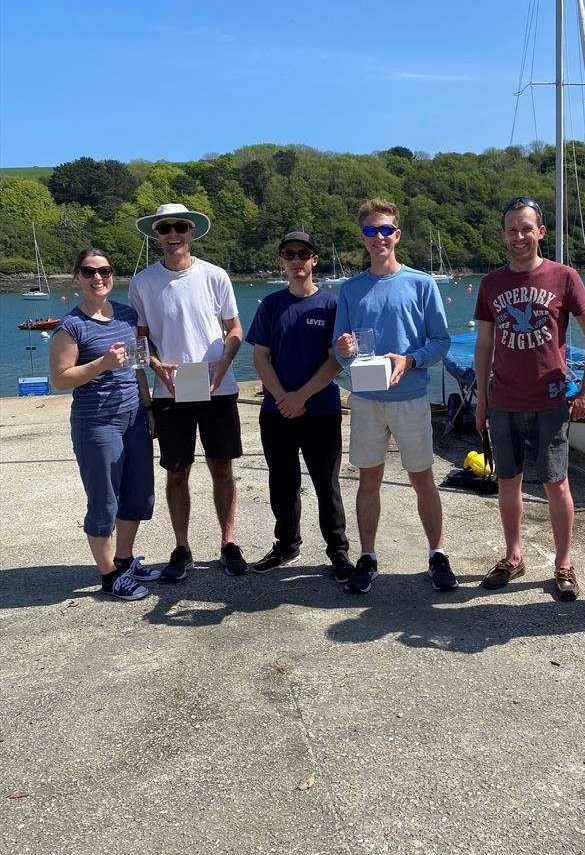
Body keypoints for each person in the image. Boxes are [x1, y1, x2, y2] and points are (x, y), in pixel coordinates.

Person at [474, 196, 585, 596]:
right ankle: (514, 556)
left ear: (540, 232)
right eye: (512, 229)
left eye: (526, 228)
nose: (519, 236)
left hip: (550, 400)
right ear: (503, 235)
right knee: (507, 483)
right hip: (504, 400)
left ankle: (564, 564)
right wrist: (481, 399)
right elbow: (483, 344)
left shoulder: (564, 277)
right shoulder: (491, 283)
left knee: (556, 484)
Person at [334, 197, 456, 595]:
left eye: (386, 229)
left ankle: (437, 553)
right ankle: (367, 557)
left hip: (410, 397)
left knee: (422, 478)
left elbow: (440, 342)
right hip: (367, 398)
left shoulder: (421, 284)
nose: (379, 237)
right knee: (368, 479)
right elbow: (339, 351)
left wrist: (410, 359)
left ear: (397, 235)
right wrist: (346, 350)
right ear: (362, 237)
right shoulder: (350, 290)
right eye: (371, 230)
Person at [129, 203, 248, 581]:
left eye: (180, 227)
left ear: (192, 232)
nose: (173, 234)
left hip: (218, 388)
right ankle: (182, 548)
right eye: (165, 229)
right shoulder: (142, 282)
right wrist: (155, 366)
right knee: (177, 471)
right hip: (170, 392)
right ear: (157, 235)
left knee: (221, 467)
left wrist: (225, 361)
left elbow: (235, 328)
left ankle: (228, 543)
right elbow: (140, 341)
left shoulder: (215, 276)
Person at [50, 248, 158, 600]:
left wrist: (148, 406)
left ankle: (124, 560)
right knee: (104, 501)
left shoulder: (128, 315)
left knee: (139, 495)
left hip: (134, 416)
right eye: (89, 271)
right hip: (96, 422)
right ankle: (109, 576)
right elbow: (61, 379)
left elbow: (139, 365)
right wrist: (102, 364)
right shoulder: (71, 326)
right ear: (77, 277)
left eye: (105, 270)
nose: (98, 277)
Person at [246, 229, 353, 582]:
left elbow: (335, 360)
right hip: (277, 412)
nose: (296, 260)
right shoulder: (271, 305)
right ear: (281, 261)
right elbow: (260, 356)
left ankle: (338, 551)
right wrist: (282, 397)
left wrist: (301, 396)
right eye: (289, 254)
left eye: (302, 254)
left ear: (314, 260)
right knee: (283, 481)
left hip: (320, 409)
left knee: (327, 483)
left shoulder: (331, 305)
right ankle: (286, 544)